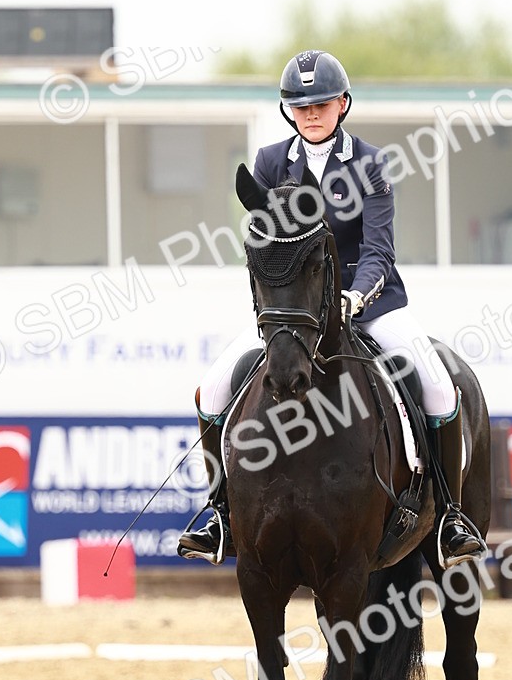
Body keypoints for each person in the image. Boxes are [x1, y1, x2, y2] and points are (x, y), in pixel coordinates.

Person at [178, 49, 485, 567]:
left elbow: (378, 249)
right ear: (288, 111)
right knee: (212, 390)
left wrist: (353, 296)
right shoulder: (272, 164)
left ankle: (450, 516)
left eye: (321, 103)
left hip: (368, 303)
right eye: (300, 106)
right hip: (296, 312)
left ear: (342, 104)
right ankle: (219, 512)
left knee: (437, 385)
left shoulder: (370, 163)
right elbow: (268, 243)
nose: (311, 114)